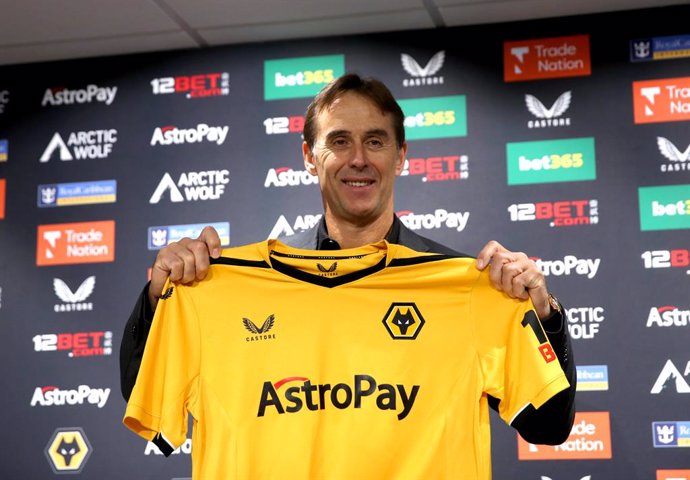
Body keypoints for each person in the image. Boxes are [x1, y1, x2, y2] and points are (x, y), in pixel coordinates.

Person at [122, 74, 575, 475]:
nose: (358, 158)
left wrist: (544, 314)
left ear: (400, 156)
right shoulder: (221, 288)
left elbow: (549, 425)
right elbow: (143, 394)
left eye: (375, 141)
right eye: (339, 141)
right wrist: (158, 298)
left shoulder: (462, 286)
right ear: (309, 156)